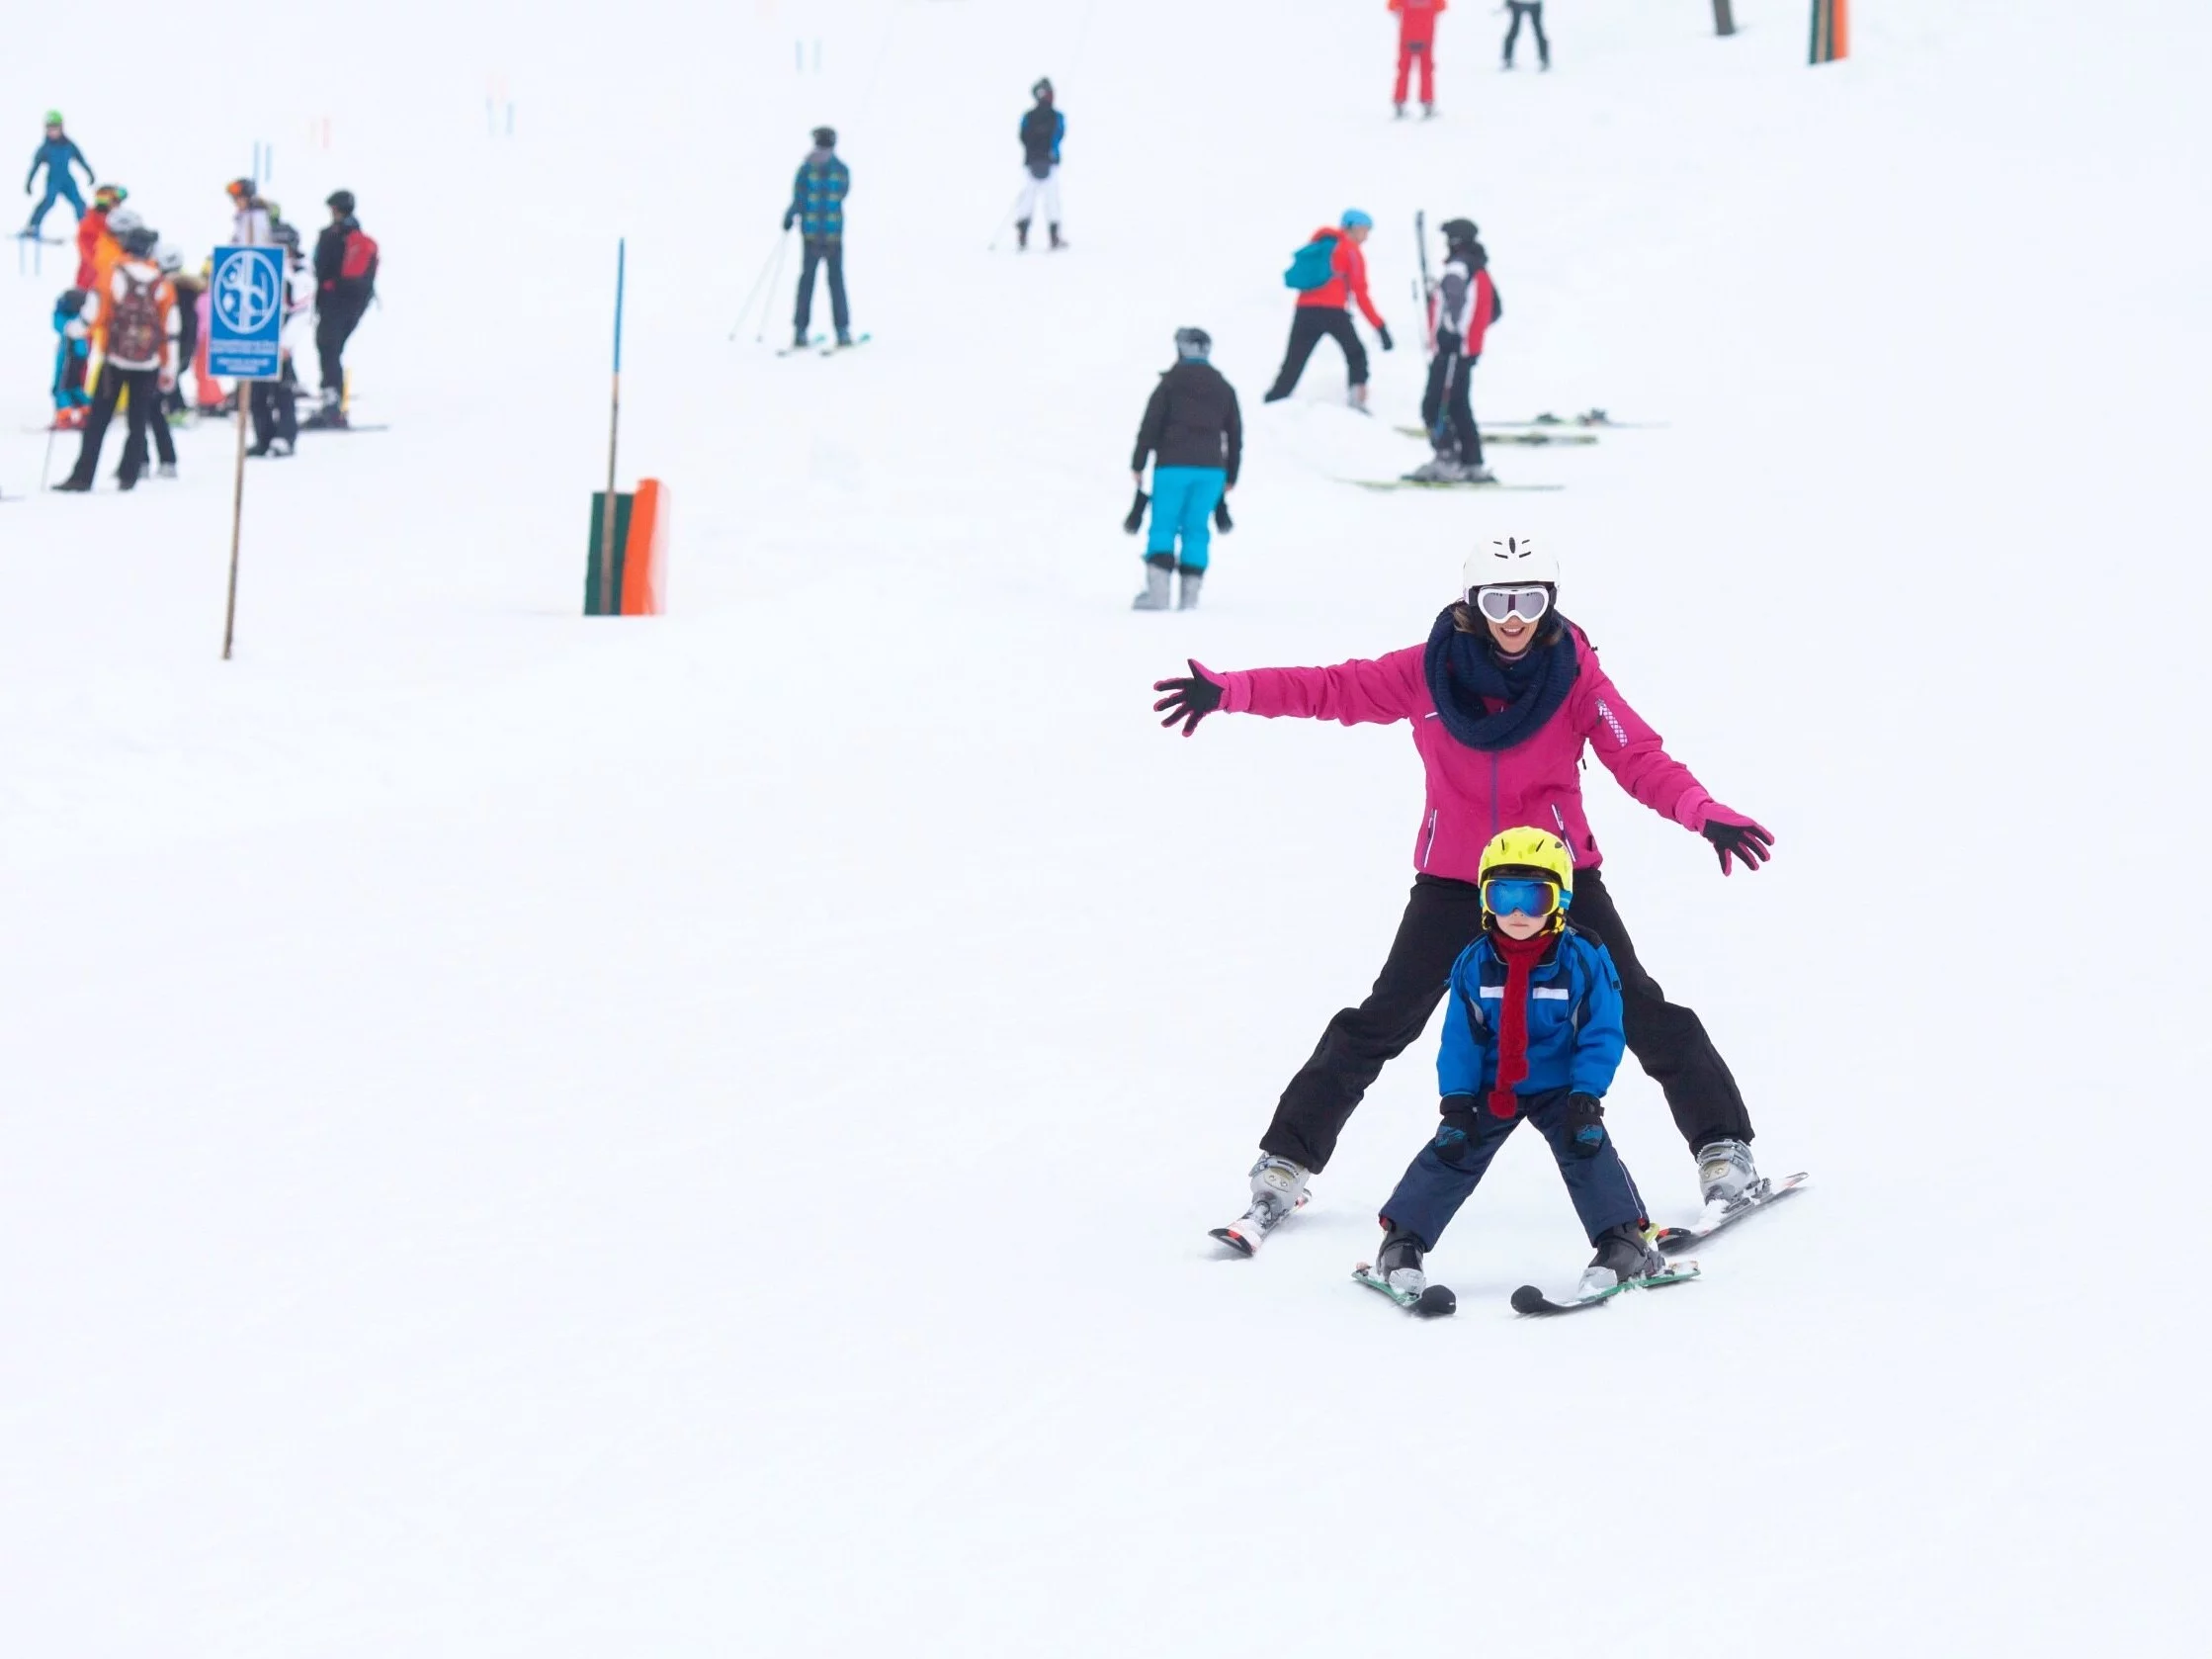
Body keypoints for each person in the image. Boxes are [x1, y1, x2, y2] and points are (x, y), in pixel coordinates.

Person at [1149, 534, 1778, 1252]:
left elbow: (1638, 755)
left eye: (1531, 601)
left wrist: (1702, 811)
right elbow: (1330, 689)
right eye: (1499, 602)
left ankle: (1725, 1151)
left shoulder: (1575, 678)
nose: (1515, 619)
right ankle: (1284, 1165)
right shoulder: (1427, 672)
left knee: (1636, 1004)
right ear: (1473, 604)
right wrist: (1230, 691)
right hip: (1456, 880)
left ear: (1551, 603)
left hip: (1557, 880)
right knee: (1380, 1021)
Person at [1369, 827, 1665, 1301]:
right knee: (1452, 1151)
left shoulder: (1583, 959)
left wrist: (1587, 1096)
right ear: (1485, 898)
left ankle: (1626, 1241)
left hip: (1562, 1087)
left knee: (1586, 1151)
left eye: (1534, 896)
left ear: (1561, 898)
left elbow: (1602, 1031)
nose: (1518, 913)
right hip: (1494, 1085)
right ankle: (1401, 1241)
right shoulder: (1474, 962)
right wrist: (1458, 1102)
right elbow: (1461, 1039)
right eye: (1503, 895)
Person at [54, 221, 177, 492]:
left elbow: (94, 312)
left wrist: (74, 329)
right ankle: (128, 474)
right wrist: (169, 368)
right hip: (149, 363)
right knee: (137, 420)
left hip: (115, 360)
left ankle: (83, 476)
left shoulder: (113, 275)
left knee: (98, 420)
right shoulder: (161, 284)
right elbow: (170, 328)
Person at [1129, 327, 1241, 612]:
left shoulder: (1170, 383)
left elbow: (1150, 424)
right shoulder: (1223, 386)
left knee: (1164, 523)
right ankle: (1190, 597)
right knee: (1197, 528)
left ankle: (1158, 594)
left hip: (1172, 466)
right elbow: (1235, 434)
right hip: (1212, 471)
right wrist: (1232, 474)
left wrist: (1139, 462)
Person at [1262, 211, 1392, 410]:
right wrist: (1380, 327)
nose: (1366, 236)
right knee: (1356, 353)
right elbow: (1361, 294)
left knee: (1293, 362)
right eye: (1365, 230)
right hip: (1333, 312)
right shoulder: (1350, 251)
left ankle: (1272, 402)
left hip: (1304, 311)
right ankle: (1357, 403)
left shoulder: (1320, 245)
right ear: (1354, 227)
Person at [1405, 218, 1495, 483]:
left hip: (1452, 349)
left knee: (1434, 405)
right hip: (1466, 349)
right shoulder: (1478, 267)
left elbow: (1454, 305)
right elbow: (1493, 309)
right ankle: (1471, 461)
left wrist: (1450, 333)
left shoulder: (1458, 267)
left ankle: (1447, 460)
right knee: (1458, 405)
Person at [308, 189, 377, 425]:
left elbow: (321, 267)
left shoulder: (332, 236)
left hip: (333, 302)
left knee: (327, 348)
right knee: (333, 350)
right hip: (356, 303)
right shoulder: (357, 235)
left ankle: (331, 403)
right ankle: (334, 399)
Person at [783, 129, 853, 349]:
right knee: (835, 283)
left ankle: (800, 332)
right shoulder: (841, 170)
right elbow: (843, 193)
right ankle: (842, 332)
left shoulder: (806, 170)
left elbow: (799, 198)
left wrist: (791, 214)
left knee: (807, 283)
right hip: (833, 234)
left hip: (811, 235)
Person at [23, 112, 94, 235]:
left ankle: (86, 229)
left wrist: (90, 174)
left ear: (61, 128)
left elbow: (81, 160)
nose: (52, 132)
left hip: (67, 180)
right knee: (49, 201)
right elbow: (35, 167)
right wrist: (29, 183)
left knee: (79, 203)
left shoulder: (69, 145)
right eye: (49, 129)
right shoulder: (45, 148)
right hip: (53, 180)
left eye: (54, 128)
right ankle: (33, 226)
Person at [1014, 79, 1064, 251]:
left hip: (1034, 163)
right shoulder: (1055, 117)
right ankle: (1051, 236)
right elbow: (1060, 134)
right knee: (1049, 201)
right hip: (1046, 164)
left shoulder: (1029, 117)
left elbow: (1022, 137)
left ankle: (1025, 233)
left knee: (1030, 199)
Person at [1388, 0, 1447, 118]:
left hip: (1407, 35)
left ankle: (1399, 102)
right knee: (1426, 70)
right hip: (1426, 35)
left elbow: (1391, 7)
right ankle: (1427, 103)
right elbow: (1442, 7)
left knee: (1403, 69)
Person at [49, 288, 92, 430]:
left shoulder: (66, 320)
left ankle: (64, 416)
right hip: (81, 353)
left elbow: (58, 325)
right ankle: (88, 412)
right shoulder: (82, 320)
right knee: (75, 387)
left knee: (61, 387)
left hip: (68, 354)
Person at [74, 185, 123, 291]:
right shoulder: (90, 226)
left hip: (111, 287)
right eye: (116, 201)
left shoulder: (118, 224)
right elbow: (95, 258)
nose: (119, 205)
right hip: (90, 286)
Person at [1503, 1, 1551, 70]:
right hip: (1524, 3)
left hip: (1525, 3)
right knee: (1537, 30)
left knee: (1515, 29)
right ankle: (1544, 58)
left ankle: (1507, 58)